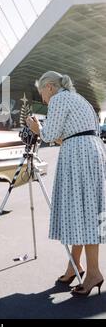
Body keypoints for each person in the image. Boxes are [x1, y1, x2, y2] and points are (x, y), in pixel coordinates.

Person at [26, 71, 106, 296]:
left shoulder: (59, 99)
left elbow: (50, 135)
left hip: (78, 155)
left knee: (84, 212)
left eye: (42, 93)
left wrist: (36, 128)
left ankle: (94, 273)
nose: (42, 99)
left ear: (50, 87)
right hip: (92, 151)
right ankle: (74, 266)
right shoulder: (78, 98)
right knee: (83, 209)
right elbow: (69, 134)